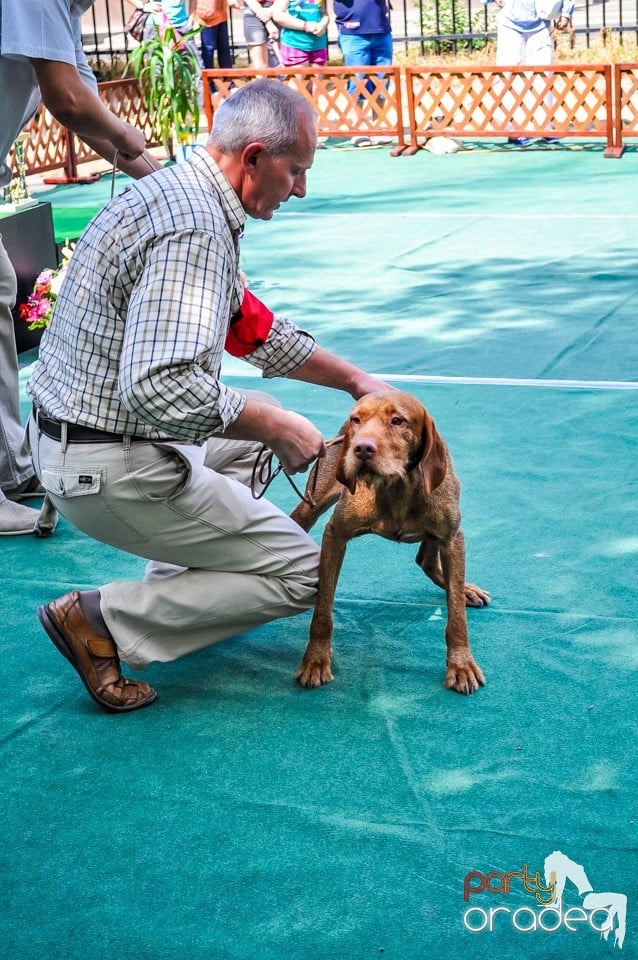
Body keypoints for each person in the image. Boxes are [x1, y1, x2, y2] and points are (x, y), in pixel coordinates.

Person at [28, 79, 390, 714]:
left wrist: (356, 381)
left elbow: (252, 330)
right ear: (254, 157)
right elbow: (157, 387)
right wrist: (275, 426)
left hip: (83, 438)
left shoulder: (182, 193)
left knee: (256, 443)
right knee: (304, 572)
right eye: (296, 170)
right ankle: (102, 620)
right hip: (107, 464)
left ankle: (180, 583)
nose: (300, 188)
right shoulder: (196, 230)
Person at [0, 0, 161, 536]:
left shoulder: (65, 13)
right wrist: (129, 136)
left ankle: (13, 465)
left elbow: (88, 106)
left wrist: (164, 183)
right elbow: (67, 101)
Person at [487, 0, 574, 145]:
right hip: (510, 22)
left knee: (542, 74)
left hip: (541, 21)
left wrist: (565, 14)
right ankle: (513, 129)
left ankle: (543, 127)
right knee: (508, 74)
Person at [330, 0, 393, 147]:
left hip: (381, 29)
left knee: (382, 80)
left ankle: (378, 126)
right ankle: (359, 129)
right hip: (352, 31)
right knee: (357, 81)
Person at [271, 0, 329, 69]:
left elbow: (324, 13)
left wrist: (323, 24)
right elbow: (278, 15)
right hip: (295, 44)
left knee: (318, 80)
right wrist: (305, 26)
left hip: (319, 45)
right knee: (297, 79)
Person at [195, 0, 235, 75]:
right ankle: (209, 83)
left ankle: (229, 81)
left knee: (224, 47)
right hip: (207, 13)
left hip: (220, 12)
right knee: (209, 50)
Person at [241, 0, 280, 69]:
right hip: (253, 10)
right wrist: (268, 22)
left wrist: (272, 9)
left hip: (280, 9)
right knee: (260, 65)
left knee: (283, 60)